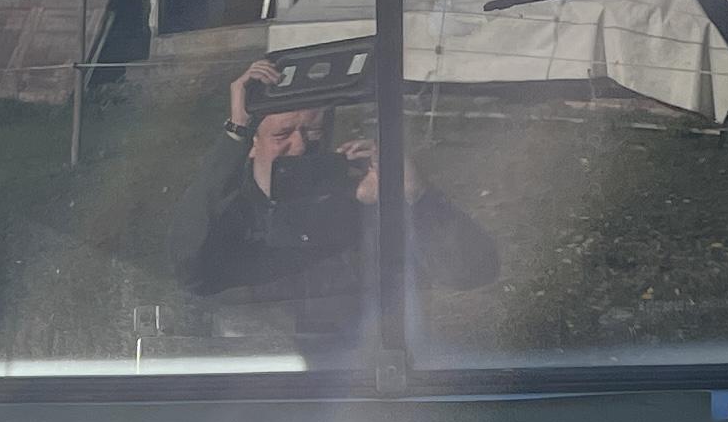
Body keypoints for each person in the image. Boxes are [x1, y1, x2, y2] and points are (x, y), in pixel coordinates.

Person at [165, 56, 497, 348]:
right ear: (252, 144)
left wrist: (415, 197)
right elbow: (189, 264)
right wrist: (233, 133)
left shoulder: (364, 207)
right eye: (282, 135)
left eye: (313, 133)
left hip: (362, 388)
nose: (299, 146)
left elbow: (470, 273)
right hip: (250, 390)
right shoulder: (229, 217)